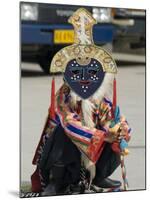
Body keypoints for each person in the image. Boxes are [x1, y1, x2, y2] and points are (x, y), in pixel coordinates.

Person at [31, 8, 131, 195]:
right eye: (77, 73)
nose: (85, 78)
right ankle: (57, 180)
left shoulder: (101, 100)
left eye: (92, 73)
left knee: (116, 128)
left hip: (90, 163)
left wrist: (120, 130)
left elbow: (109, 120)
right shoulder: (64, 96)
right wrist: (101, 136)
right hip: (61, 162)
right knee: (63, 131)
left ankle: (99, 175)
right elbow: (69, 123)